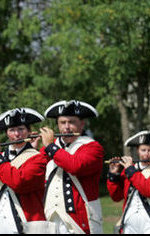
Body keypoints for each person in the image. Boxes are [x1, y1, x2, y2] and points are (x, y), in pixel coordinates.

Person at [0, 107, 55, 234]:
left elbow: (19, 182)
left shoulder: (37, 158)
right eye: (12, 130)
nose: (17, 135)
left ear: (29, 132)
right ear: (7, 133)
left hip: (27, 225)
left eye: (21, 129)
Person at [39, 100, 104, 234]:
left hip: (80, 219)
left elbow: (75, 166)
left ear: (82, 124)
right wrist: (32, 148)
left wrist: (50, 147)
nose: (67, 127)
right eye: (63, 123)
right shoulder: (50, 146)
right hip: (50, 218)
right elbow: (34, 172)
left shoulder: (93, 147)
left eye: (72, 122)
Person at [107, 130, 150, 234]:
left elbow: (148, 191)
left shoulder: (130, 170)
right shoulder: (129, 169)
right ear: (138, 150)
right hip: (129, 220)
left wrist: (130, 170)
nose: (146, 154)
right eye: (143, 150)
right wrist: (113, 175)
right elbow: (116, 197)